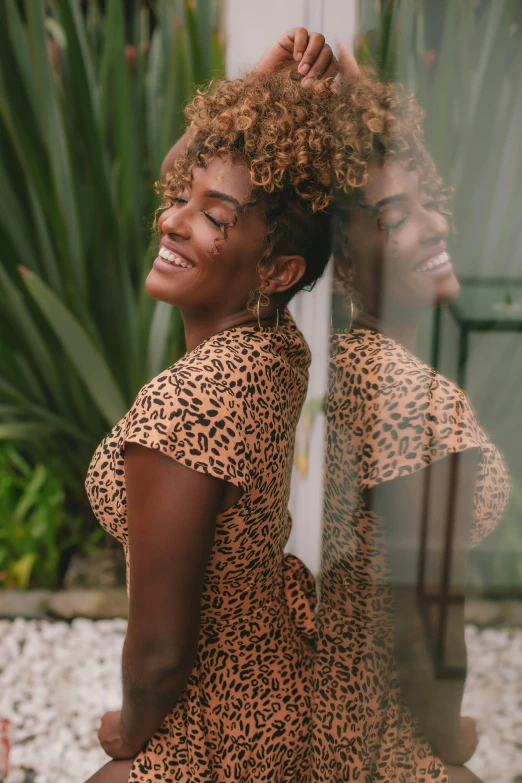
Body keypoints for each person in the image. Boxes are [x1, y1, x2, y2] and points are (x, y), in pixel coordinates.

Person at [84, 32, 339, 783]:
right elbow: (187, 176)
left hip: (217, 722)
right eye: (178, 201)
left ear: (277, 267)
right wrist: (249, 97)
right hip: (276, 672)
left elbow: (161, 655)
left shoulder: (187, 406)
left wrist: (127, 732)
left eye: (214, 218)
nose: (170, 219)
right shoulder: (272, 345)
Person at [314, 71, 510, 783]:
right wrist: (451, 744)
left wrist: (380, 114)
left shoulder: (322, 368)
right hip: (374, 742)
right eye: (399, 220)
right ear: (338, 266)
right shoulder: (413, 401)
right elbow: (429, 640)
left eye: (430, 202)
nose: (438, 223)